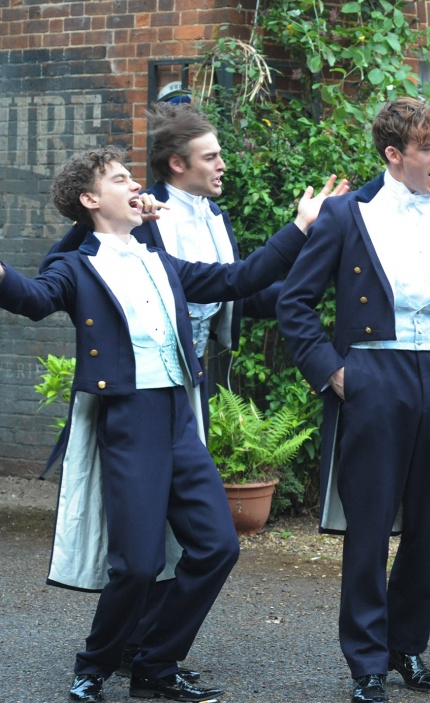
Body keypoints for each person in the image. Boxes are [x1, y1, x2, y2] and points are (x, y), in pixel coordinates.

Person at [1, 146, 327, 703]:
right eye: (120, 179)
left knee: (217, 547)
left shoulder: (160, 259)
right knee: (138, 565)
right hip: (130, 420)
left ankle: (156, 665)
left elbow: (241, 278)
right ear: (90, 199)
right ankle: (94, 666)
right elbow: (33, 298)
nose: (137, 186)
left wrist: (300, 226)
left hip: (180, 415)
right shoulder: (76, 266)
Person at [276, 98, 430, 703]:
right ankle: (367, 662)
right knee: (368, 529)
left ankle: (406, 648)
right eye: (428, 147)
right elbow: (295, 303)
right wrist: (335, 374)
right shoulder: (347, 215)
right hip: (375, 374)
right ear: (394, 154)